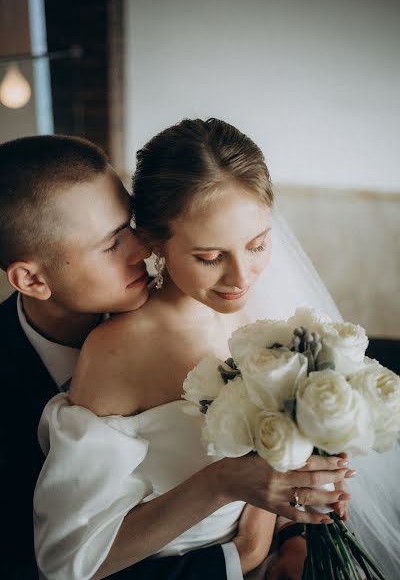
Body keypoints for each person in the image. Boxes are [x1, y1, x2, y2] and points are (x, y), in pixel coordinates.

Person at [33, 119, 353, 580]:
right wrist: (223, 485)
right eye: (209, 257)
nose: (242, 277)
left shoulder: (283, 316)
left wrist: (294, 531)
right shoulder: (119, 350)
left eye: (258, 245)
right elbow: (70, 559)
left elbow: (284, 474)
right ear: (154, 243)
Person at [0, 134, 240, 580]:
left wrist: (284, 532)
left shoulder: (181, 310)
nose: (144, 250)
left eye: (130, 225)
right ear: (32, 280)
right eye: (111, 244)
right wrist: (237, 559)